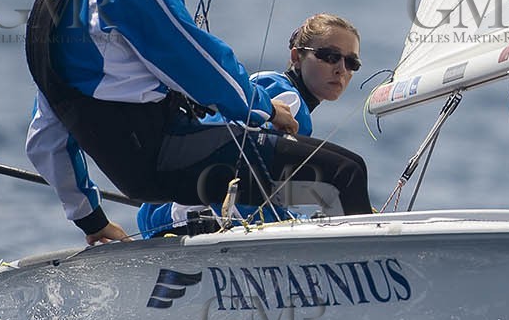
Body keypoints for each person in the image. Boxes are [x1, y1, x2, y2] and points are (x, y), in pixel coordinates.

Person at [25, 0, 372, 244]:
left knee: (305, 182)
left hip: (141, 177)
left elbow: (45, 136)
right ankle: (375, 283)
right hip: (177, 160)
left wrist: (90, 219)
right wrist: (264, 108)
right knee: (345, 174)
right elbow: (201, 65)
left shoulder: (50, 5)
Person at [136, 13, 364, 234]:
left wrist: (297, 221)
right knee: (348, 172)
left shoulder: (271, 90)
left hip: (166, 213)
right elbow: (232, 171)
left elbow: (258, 187)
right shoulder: (286, 98)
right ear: (296, 57)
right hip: (180, 219)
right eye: (330, 56)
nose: (341, 69)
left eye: (351, 62)